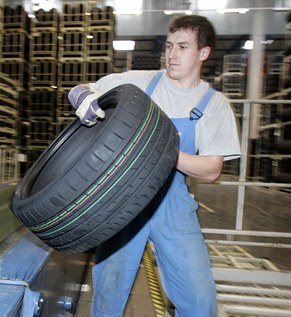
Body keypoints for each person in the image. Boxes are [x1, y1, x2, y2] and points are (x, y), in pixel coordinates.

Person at [67, 15, 241, 316]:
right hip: (124, 202)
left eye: (183, 47)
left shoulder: (215, 104)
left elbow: (212, 170)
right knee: (108, 294)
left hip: (173, 206)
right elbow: (84, 89)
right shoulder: (140, 83)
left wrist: (161, 151)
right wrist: (80, 95)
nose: (172, 54)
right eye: (170, 45)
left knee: (200, 300)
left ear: (203, 53)